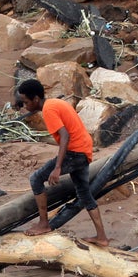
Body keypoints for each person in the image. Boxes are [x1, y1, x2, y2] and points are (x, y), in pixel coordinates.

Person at [16, 78, 110, 246]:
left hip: (75, 152)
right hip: (84, 149)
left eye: (25, 102)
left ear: (36, 99)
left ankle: (44, 224)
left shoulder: (48, 110)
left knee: (36, 179)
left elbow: (65, 135)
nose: (25, 106)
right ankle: (101, 237)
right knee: (84, 193)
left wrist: (58, 167)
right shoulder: (54, 103)